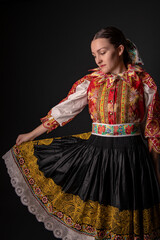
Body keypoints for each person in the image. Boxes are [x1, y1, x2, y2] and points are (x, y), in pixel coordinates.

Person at [2, 26, 160, 240]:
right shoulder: (90, 84)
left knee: (129, 221)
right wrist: (31, 135)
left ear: (120, 49)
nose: (98, 60)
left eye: (102, 52)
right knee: (101, 218)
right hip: (98, 157)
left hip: (133, 160)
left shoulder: (144, 83)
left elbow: (152, 129)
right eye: (94, 55)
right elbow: (63, 112)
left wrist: (156, 169)